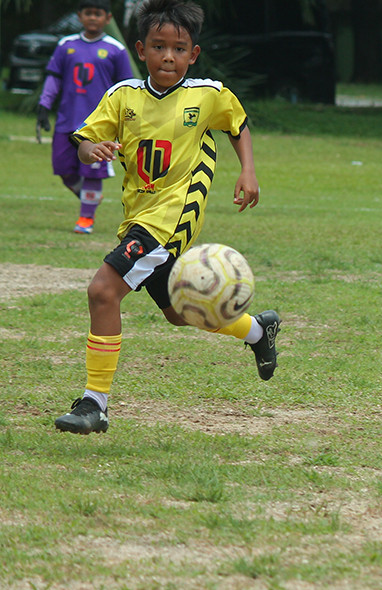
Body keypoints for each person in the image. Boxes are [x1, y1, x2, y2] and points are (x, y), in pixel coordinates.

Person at [54, 0, 281, 435]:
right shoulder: (123, 97)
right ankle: (257, 330)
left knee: (103, 291)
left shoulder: (207, 95)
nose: (169, 57)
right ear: (141, 49)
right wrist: (92, 150)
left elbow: (238, 124)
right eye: (159, 47)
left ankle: (94, 405)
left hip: (171, 218)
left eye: (179, 48)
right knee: (180, 311)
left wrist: (248, 171)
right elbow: (85, 139)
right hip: (136, 216)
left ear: (193, 54)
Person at [37, 0, 133, 234]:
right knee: (63, 169)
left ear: (108, 19)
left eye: (98, 14)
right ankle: (90, 198)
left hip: (98, 126)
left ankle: (85, 219)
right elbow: (54, 79)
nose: (92, 18)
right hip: (66, 120)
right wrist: (43, 106)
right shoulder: (65, 45)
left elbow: (125, 88)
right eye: (88, 13)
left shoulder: (115, 49)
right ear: (79, 16)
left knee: (92, 171)